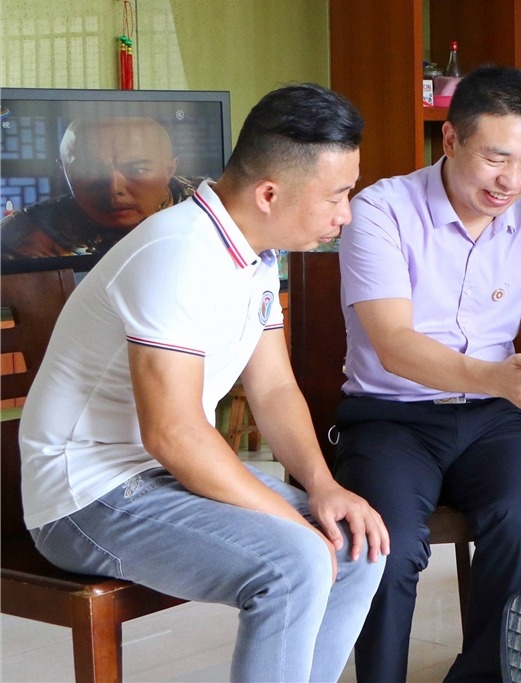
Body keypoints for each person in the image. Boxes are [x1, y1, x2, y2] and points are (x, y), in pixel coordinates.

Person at [19, 84, 389, 682]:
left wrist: (323, 487)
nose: (345, 213)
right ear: (269, 194)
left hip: (159, 476)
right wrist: (292, 523)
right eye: (337, 195)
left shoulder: (255, 252)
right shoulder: (177, 253)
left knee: (352, 543)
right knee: (296, 560)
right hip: (86, 497)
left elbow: (273, 389)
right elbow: (172, 433)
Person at [333, 65, 521, 682]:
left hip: (493, 421)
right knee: (388, 544)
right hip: (391, 418)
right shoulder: (380, 210)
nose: (513, 180)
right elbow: (394, 346)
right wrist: (499, 379)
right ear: (451, 140)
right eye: (496, 158)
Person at [1, 116, 195, 260]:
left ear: (169, 170)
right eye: (90, 171)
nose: (114, 187)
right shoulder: (27, 231)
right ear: (64, 170)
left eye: (136, 169)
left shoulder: (206, 200)